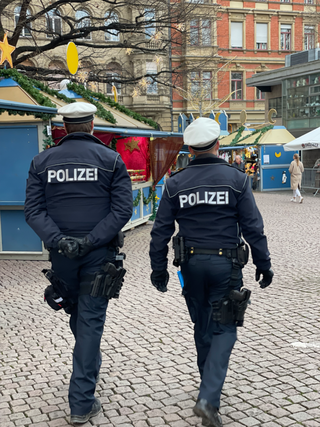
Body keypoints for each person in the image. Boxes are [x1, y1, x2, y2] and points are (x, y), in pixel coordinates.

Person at [149, 117, 273, 427]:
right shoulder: (236, 179)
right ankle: (208, 398)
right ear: (218, 145)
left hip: (190, 265)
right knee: (225, 329)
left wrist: (157, 268)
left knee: (203, 325)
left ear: (189, 149)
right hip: (225, 265)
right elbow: (253, 228)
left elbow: (160, 230)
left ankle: (209, 392)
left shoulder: (175, 182)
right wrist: (263, 264)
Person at [24, 102, 133, 425]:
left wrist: (60, 241)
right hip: (98, 255)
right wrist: (90, 241)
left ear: (65, 128)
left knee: (80, 317)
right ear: (91, 125)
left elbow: (33, 211)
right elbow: (121, 210)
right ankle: (81, 401)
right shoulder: (112, 160)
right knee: (89, 323)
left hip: (62, 258)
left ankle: (87, 371)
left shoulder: (41, 162)